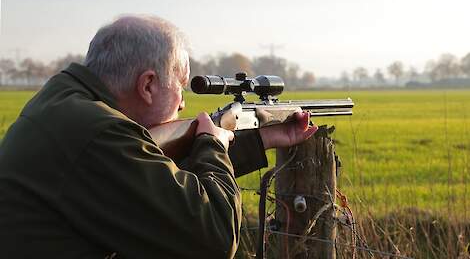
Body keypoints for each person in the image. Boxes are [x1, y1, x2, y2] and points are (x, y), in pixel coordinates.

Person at [0, 15, 317, 258]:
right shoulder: (100, 133)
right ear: (148, 85)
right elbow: (215, 238)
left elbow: (155, 174)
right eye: (179, 87)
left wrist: (259, 139)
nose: (183, 103)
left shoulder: (66, 101)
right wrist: (213, 145)